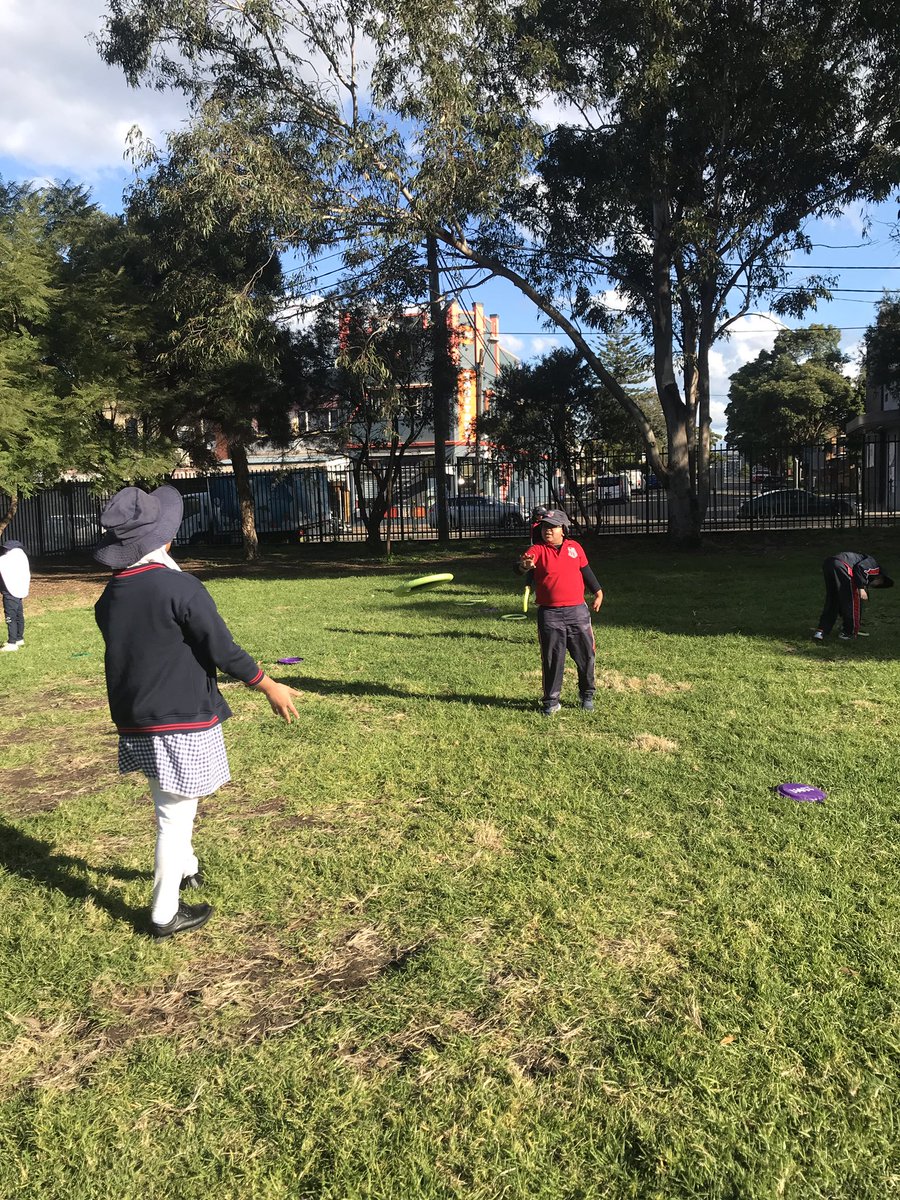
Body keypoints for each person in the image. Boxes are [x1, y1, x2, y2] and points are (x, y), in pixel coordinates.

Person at [94, 485, 301, 940]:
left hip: (137, 718)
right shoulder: (179, 587)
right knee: (174, 815)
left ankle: (186, 866)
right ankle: (164, 914)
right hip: (179, 717)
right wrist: (268, 685)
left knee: (170, 800)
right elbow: (222, 649)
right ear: (164, 539)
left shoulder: (110, 597)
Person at [515, 508, 603, 715]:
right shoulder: (537, 550)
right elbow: (520, 566)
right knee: (553, 659)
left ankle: (587, 695)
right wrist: (524, 566)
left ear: (562, 529)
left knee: (586, 656)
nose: (548, 530)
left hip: (578, 612)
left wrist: (598, 592)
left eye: (553, 527)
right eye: (545, 527)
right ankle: (551, 702)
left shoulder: (575, 548)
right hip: (550, 615)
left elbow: (586, 571)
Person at [813, 550, 893, 642]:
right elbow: (859, 568)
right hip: (843, 566)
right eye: (879, 584)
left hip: (829, 563)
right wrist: (861, 588)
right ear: (880, 577)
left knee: (833, 599)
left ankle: (821, 630)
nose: (874, 585)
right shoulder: (875, 568)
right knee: (853, 601)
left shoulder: (863, 559)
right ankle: (849, 632)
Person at [0, 539, 30, 652]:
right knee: (18, 614)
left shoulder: (8, 559)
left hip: (10, 592)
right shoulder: (21, 557)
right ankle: (18, 638)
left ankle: (12, 642)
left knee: (10, 616)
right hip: (18, 590)